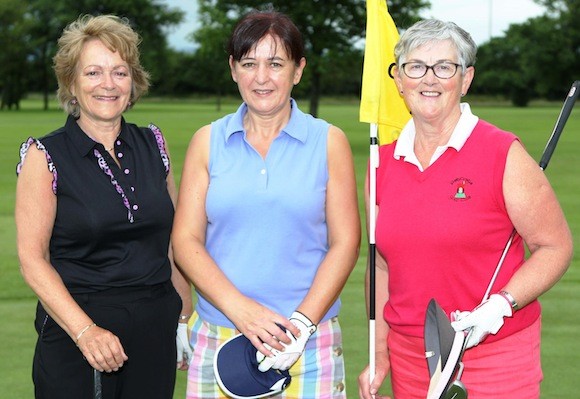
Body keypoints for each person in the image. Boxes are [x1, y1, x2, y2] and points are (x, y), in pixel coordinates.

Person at [358, 19, 573, 399]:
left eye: (444, 67)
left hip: (494, 356)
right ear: (398, 79)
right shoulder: (381, 164)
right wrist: (378, 350)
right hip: (411, 358)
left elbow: (554, 247)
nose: (429, 79)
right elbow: (379, 264)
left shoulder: (502, 153)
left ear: (466, 78)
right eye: (415, 67)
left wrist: (500, 306)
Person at [171, 7, 361, 399]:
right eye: (249, 63)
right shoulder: (207, 141)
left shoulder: (329, 141)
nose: (261, 77)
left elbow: (346, 244)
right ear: (232, 68)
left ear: (298, 69)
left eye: (275, 63)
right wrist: (241, 310)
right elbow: (186, 242)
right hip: (222, 335)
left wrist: (302, 325)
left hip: (308, 343)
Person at [15, 14, 193, 399]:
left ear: (133, 82)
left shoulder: (154, 145)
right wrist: (85, 331)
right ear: (72, 84)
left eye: (119, 72)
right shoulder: (44, 155)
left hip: (154, 333)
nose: (108, 84)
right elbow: (32, 259)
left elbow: (174, 243)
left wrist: (183, 316)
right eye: (93, 72)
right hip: (77, 335)